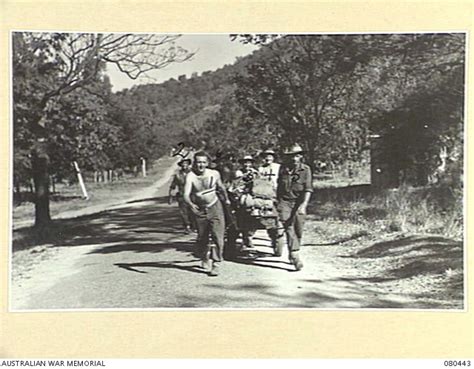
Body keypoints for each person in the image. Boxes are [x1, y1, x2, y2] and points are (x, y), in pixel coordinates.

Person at [183, 151, 230, 276]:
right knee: (202, 238)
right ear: (194, 163)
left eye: (203, 162)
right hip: (200, 209)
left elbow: (221, 188)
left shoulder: (214, 174)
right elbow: (186, 194)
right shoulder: (190, 176)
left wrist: (227, 200)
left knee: (218, 236)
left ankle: (216, 263)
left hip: (215, 206)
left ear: (207, 163)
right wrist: (191, 205)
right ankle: (204, 256)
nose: (201, 165)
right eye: (198, 162)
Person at [277, 144, 313, 271]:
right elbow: (277, 186)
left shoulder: (306, 170)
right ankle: (295, 253)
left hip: (299, 201)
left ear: (301, 157)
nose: (294, 158)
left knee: (299, 228)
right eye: (292, 156)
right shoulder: (283, 169)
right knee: (288, 225)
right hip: (284, 201)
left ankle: (292, 250)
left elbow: (308, 189)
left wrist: (304, 205)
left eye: (297, 156)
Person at [258, 149, 284, 256]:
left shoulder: (278, 167)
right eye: (266, 156)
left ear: (273, 157)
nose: (268, 158)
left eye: (270, 156)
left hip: (276, 192)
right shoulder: (260, 168)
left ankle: (277, 237)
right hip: (264, 193)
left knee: (277, 215)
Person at [168, 158, 195, 234]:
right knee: (183, 212)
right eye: (183, 164)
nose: (184, 165)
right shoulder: (178, 175)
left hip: (192, 195)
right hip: (182, 195)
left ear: (188, 164)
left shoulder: (193, 173)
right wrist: (170, 196)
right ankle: (187, 226)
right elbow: (173, 186)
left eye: (186, 163)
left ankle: (193, 225)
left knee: (193, 211)